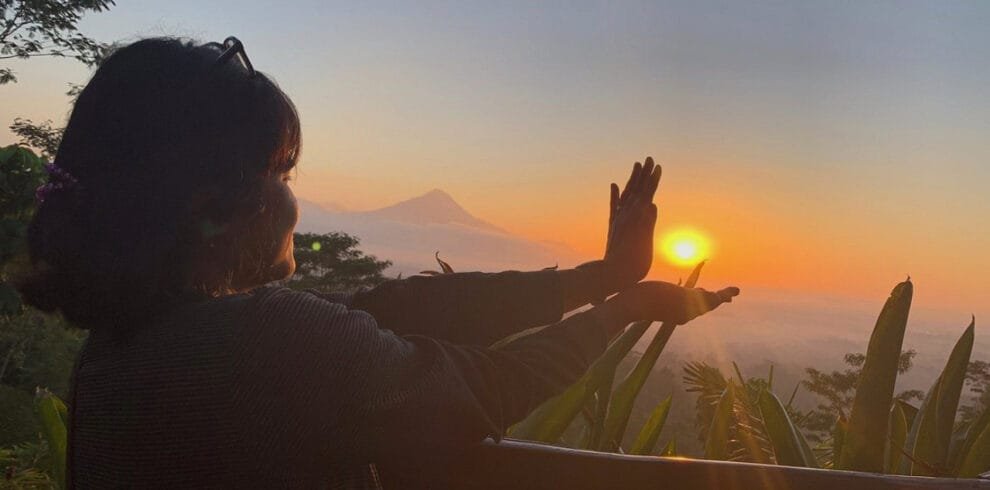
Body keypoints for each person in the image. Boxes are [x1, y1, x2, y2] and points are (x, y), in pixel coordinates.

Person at [16, 37, 739, 488]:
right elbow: (486, 385)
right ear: (216, 204)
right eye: (285, 175)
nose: (296, 200)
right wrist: (628, 307)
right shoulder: (270, 342)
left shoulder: (117, 351)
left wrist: (599, 279)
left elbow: (388, 314)